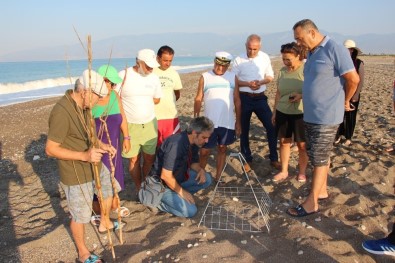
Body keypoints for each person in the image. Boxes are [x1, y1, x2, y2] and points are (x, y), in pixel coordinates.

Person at [286, 19, 359, 217]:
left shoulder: (335, 49)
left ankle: (312, 203)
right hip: (311, 114)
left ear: (312, 33)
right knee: (318, 154)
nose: (298, 43)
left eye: (299, 38)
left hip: (327, 115)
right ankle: (323, 190)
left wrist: (345, 101)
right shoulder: (311, 52)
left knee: (318, 159)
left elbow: (353, 79)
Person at [45, 70, 119, 263]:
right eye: (97, 97)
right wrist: (84, 156)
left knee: (109, 187)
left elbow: (91, 135)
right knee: (81, 214)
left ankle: (104, 221)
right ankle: (83, 252)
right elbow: (50, 149)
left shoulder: (84, 107)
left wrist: (103, 146)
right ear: (85, 91)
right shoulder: (62, 111)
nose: (97, 102)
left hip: (93, 162)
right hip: (75, 171)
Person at [147, 116, 214, 217]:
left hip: (178, 178)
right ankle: (158, 203)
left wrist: (200, 170)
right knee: (190, 211)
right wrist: (182, 192)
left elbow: (193, 163)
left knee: (207, 179)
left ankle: (179, 196)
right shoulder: (175, 145)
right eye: (204, 138)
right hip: (161, 185)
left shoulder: (194, 142)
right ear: (195, 133)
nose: (206, 141)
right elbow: (165, 176)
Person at [232, 34, 281, 170]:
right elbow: (234, 81)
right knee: (244, 129)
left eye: (255, 49)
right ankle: (247, 159)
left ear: (260, 47)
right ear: (245, 46)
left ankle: (274, 158)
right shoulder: (238, 60)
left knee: (271, 126)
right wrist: (248, 83)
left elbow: (270, 76)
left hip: (260, 97)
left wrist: (260, 82)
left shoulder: (265, 57)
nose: (252, 51)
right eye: (249, 48)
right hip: (244, 98)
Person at [119, 49, 162, 192]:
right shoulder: (124, 75)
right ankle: (139, 187)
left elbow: (157, 99)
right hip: (130, 126)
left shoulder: (154, 78)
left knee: (149, 158)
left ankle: (145, 182)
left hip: (149, 124)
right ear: (138, 61)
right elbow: (115, 99)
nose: (151, 69)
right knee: (133, 159)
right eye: (148, 65)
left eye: (152, 66)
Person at [194, 51, 241, 182]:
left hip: (227, 122)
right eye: (217, 65)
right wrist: (196, 117)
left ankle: (218, 176)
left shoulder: (233, 77)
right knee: (204, 152)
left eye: (223, 66)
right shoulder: (205, 76)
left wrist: (238, 122)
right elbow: (198, 98)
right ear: (214, 62)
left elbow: (237, 100)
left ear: (228, 65)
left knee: (222, 148)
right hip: (209, 123)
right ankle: (200, 175)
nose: (220, 68)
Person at [91, 64, 130, 216]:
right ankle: (100, 210)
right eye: (109, 82)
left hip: (115, 144)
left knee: (115, 174)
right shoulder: (92, 101)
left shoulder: (114, 96)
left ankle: (113, 203)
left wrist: (126, 137)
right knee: (100, 178)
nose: (111, 86)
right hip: (99, 147)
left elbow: (123, 117)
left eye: (113, 83)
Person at [271, 42, 308, 183]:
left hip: (301, 112)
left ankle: (302, 172)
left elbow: (314, 90)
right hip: (282, 111)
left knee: (302, 145)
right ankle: (284, 171)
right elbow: (278, 93)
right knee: (284, 142)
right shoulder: (282, 71)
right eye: (284, 59)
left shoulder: (306, 69)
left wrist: (301, 95)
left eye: (289, 59)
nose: (286, 62)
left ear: (298, 56)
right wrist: (274, 111)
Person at [335, 39, 365, 146]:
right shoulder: (339, 62)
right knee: (339, 115)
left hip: (353, 94)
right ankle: (338, 135)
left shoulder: (358, 63)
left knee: (351, 116)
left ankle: (348, 137)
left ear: (352, 50)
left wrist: (356, 94)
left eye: (347, 49)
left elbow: (360, 80)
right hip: (340, 93)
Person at [153, 45, 183, 147]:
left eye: (170, 60)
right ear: (158, 58)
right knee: (156, 147)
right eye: (165, 60)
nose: (168, 63)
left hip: (171, 116)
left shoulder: (174, 73)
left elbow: (177, 94)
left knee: (172, 146)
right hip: (154, 116)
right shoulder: (151, 72)